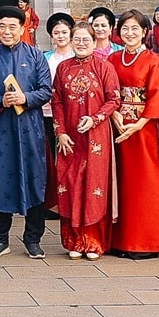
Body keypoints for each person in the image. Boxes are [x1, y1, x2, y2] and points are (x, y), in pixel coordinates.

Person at [0, 6, 51, 257]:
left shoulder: (36, 56)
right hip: (0, 129)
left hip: (31, 131)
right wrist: (0, 100)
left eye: (12, 26)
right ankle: (0, 239)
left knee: (35, 180)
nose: (7, 31)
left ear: (22, 28)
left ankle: (33, 239)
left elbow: (46, 90)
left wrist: (24, 97)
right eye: (2, 26)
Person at [50, 23, 118, 260]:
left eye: (85, 39)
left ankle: (94, 242)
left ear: (93, 40)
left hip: (96, 136)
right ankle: (74, 240)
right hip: (70, 136)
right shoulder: (63, 68)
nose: (80, 43)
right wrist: (60, 132)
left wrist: (95, 118)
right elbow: (56, 100)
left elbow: (113, 100)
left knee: (93, 185)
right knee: (70, 184)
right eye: (76, 39)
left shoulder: (104, 67)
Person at [107, 11, 159, 259]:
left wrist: (140, 123)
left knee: (143, 183)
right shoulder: (112, 58)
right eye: (125, 28)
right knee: (118, 182)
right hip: (117, 125)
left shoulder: (152, 60)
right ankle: (119, 241)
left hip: (142, 129)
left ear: (145, 32)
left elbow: (157, 95)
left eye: (135, 29)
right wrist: (114, 114)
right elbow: (107, 91)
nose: (129, 33)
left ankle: (145, 242)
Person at [43, 13, 74, 78]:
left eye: (64, 32)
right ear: (52, 35)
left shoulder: (78, 56)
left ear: (71, 34)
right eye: (56, 33)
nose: (60, 36)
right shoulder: (44, 58)